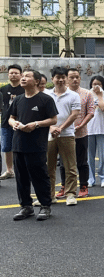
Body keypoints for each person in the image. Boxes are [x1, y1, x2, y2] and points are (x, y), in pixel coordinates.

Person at [9, 70, 58, 221]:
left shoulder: (45, 99)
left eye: (27, 76)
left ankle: (45, 206)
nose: (23, 78)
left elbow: (53, 120)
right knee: (21, 177)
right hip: (18, 144)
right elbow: (11, 118)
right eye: (22, 76)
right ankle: (26, 207)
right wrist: (14, 123)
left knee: (39, 176)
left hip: (36, 145)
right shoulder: (18, 100)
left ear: (37, 81)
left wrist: (36, 124)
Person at [46, 67, 81, 206]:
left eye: (63, 77)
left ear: (66, 78)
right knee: (49, 167)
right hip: (49, 135)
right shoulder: (46, 95)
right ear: (52, 79)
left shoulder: (73, 95)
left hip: (67, 134)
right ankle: (49, 195)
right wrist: (51, 128)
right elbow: (42, 115)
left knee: (70, 166)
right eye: (57, 77)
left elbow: (74, 114)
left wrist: (60, 128)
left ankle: (71, 194)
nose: (60, 80)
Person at [59, 68, 94, 197]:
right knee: (63, 162)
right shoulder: (61, 94)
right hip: (64, 134)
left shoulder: (87, 93)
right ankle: (64, 186)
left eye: (77, 77)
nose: (75, 79)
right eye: (72, 77)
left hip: (81, 133)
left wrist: (81, 125)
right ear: (67, 79)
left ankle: (84, 186)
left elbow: (91, 112)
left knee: (82, 161)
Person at [87, 76, 104, 188]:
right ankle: (90, 179)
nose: (96, 86)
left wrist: (99, 95)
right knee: (89, 157)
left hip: (103, 129)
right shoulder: (87, 95)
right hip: (89, 129)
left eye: (99, 84)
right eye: (94, 84)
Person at [0, 64, 24, 182]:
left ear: (21, 75)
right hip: (5, 122)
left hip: (21, 122)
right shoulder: (3, 90)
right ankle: (9, 170)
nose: (13, 75)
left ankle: (22, 169)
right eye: (11, 73)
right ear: (8, 75)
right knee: (6, 147)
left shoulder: (24, 89)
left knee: (21, 146)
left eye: (16, 73)